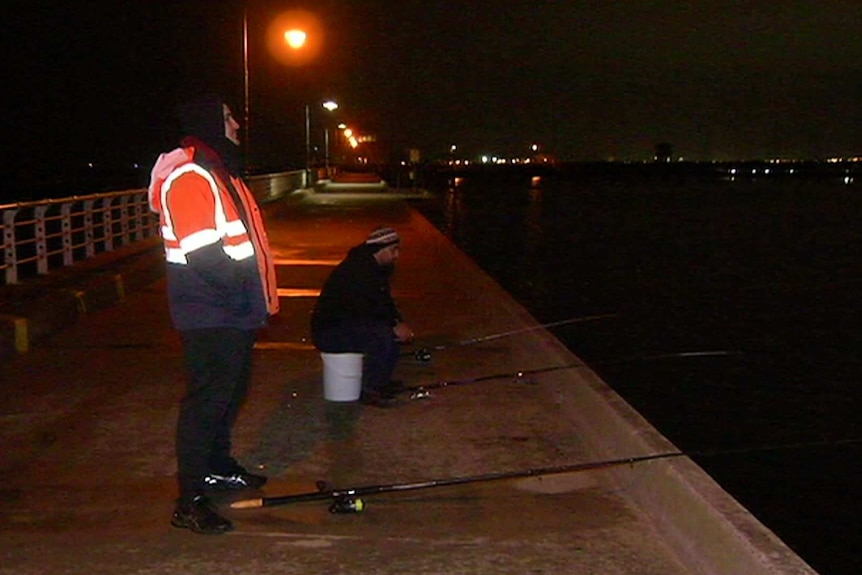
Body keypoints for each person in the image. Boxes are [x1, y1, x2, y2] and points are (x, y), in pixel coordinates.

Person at [147, 94, 279, 534]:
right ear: (207, 122)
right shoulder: (190, 175)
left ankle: (218, 467)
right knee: (206, 403)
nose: (237, 125)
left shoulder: (220, 171)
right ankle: (189, 501)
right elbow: (203, 254)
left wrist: (253, 301)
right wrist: (243, 296)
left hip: (234, 312)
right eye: (227, 118)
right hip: (212, 313)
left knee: (230, 393)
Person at [311, 227, 414, 407]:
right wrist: (392, 326)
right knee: (381, 336)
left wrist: (398, 322)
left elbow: (384, 302)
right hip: (330, 332)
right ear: (379, 249)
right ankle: (371, 388)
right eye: (393, 250)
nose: (396, 255)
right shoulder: (358, 272)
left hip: (344, 325)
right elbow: (365, 308)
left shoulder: (374, 269)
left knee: (388, 334)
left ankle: (381, 382)